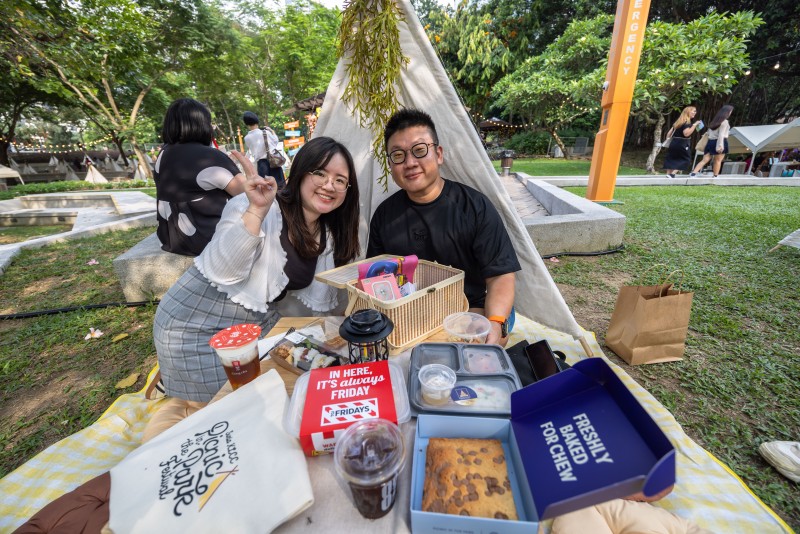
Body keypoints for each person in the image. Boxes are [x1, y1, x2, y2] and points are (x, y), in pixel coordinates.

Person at [154, 137, 360, 401]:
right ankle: (180, 387)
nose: (329, 185)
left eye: (340, 180)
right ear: (299, 173)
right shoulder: (258, 206)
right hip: (192, 327)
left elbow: (323, 302)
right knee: (245, 406)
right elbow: (222, 270)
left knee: (299, 385)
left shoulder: (327, 234)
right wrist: (256, 210)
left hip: (254, 330)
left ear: (347, 190)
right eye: (319, 173)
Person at [367, 108, 520, 346]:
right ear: (390, 164)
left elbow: (500, 274)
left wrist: (496, 320)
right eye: (398, 155)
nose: (410, 163)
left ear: (438, 154)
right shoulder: (384, 215)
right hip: (409, 315)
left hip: (471, 310)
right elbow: (376, 279)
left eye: (419, 151)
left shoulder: (475, 206)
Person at [155, 98, 246, 256]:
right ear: (202, 124)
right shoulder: (209, 156)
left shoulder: (164, 153)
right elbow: (245, 192)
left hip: (171, 237)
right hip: (206, 238)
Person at [243, 111, 287, 188]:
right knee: (280, 186)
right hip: (273, 161)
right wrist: (272, 132)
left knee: (266, 188)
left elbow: (251, 149)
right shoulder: (266, 132)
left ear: (246, 123)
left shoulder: (247, 138)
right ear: (257, 121)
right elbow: (275, 142)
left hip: (261, 164)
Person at [690, 104, 734, 178]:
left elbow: (708, 133)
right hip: (721, 141)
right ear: (727, 112)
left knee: (705, 160)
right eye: (730, 111)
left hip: (710, 142)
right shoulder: (725, 122)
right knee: (718, 160)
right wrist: (720, 146)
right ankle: (715, 176)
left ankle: (693, 173)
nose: (730, 113)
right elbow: (721, 135)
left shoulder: (714, 121)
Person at [663, 106, 702, 178]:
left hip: (674, 142)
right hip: (682, 143)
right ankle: (672, 174)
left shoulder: (678, 123)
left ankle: (668, 174)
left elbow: (668, 135)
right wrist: (694, 125)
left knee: (672, 159)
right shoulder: (687, 123)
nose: (695, 113)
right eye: (693, 111)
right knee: (686, 159)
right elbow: (686, 134)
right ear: (688, 112)